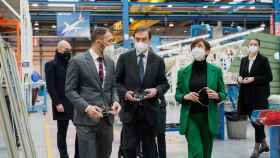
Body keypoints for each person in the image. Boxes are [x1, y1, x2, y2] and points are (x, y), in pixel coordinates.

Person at [65, 27, 121, 158]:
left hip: (107, 121)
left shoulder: (110, 62)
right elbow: (69, 90)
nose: (112, 44)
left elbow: (113, 86)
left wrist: (116, 100)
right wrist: (87, 107)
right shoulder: (77, 61)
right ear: (98, 42)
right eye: (109, 41)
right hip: (86, 121)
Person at [116, 26, 170, 158]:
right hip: (130, 112)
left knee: (150, 151)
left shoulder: (157, 60)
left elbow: (164, 83)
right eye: (137, 39)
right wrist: (125, 94)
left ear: (150, 40)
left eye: (144, 39)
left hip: (150, 114)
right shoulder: (124, 58)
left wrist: (156, 90)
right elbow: (116, 82)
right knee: (129, 150)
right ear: (133, 39)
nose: (140, 42)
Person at [175, 38, 226, 158]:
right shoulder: (183, 72)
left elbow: (223, 93)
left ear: (207, 51)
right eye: (194, 47)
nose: (196, 49)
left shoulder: (216, 71)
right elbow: (177, 95)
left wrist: (217, 95)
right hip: (190, 117)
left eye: (199, 46)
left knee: (206, 154)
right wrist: (185, 96)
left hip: (208, 118)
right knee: (197, 152)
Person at [238, 39, 272, 158]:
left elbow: (269, 77)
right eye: (251, 44)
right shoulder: (244, 60)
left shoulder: (263, 60)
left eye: (255, 44)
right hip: (246, 95)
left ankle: (256, 148)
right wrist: (240, 79)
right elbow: (241, 74)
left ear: (259, 47)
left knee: (257, 121)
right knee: (253, 120)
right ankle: (264, 143)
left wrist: (254, 79)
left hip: (259, 96)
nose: (252, 46)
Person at [45, 40, 79, 158]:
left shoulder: (72, 63)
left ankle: (78, 155)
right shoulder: (51, 65)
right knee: (62, 131)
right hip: (61, 104)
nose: (68, 52)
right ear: (59, 50)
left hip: (74, 103)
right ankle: (64, 155)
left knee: (80, 129)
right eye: (66, 50)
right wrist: (57, 103)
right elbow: (51, 86)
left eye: (70, 50)